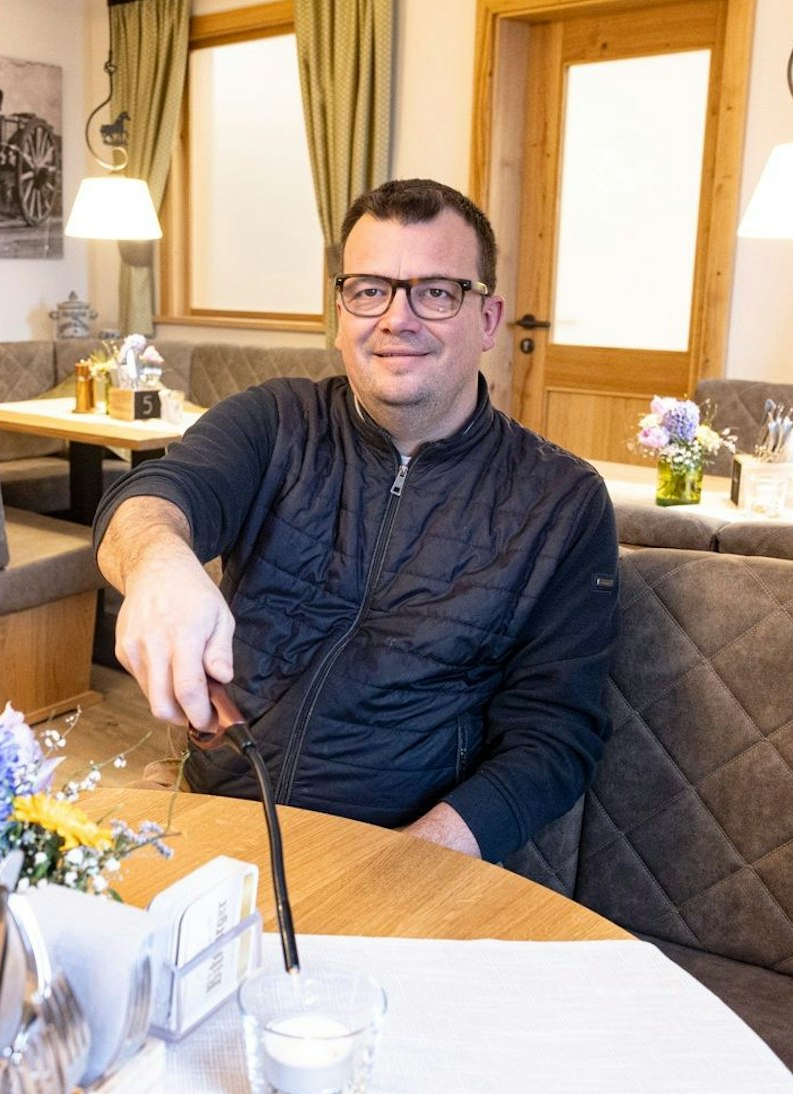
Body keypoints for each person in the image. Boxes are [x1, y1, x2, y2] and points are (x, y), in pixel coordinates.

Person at [93, 179, 619, 863]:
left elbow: (554, 738)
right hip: (217, 816)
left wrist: (412, 858)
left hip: (401, 849)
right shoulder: (276, 421)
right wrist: (157, 559)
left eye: (436, 291)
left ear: (488, 320)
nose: (396, 318)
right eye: (370, 289)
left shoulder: (561, 501)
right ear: (340, 314)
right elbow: (155, 496)